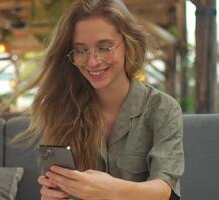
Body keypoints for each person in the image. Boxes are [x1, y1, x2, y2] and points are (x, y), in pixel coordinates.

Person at [13, 0, 184, 199]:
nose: (92, 61)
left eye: (104, 47)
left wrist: (107, 190)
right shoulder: (61, 109)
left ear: (128, 45)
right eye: (81, 50)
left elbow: (165, 191)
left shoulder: (163, 108)